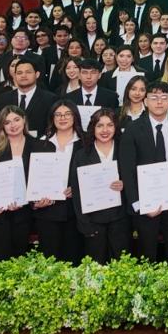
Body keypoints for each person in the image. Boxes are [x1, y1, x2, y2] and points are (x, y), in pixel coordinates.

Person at [118, 81, 168, 263]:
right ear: (145, 102)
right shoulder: (133, 128)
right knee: (146, 255)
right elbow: (127, 169)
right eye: (154, 98)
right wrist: (139, 204)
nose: (159, 102)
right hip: (145, 204)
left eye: (164, 98)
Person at [0, 105, 50, 260]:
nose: (13, 125)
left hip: (25, 214)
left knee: (19, 261)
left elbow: (44, 181)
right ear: (1, 126)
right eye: (7, 122)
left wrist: (37, 202)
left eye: (16, 119)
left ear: (24, 120)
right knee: (0, 261)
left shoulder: (40, 146)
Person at [70, 108, 130, 262]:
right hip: (93, 222)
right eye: (99, 125)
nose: (105, 130)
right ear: (92, 128)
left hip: (121, 220)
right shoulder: (81, 155)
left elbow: (135, 181)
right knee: (96, 267)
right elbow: (76, 193)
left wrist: (125, 183)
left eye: (109, 125)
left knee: (121, 266)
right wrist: (84, 224)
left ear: (116, 127)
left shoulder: (125, 151)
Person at [35, 101, 82, 262]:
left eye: (67, 114)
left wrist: (77, 188)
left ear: (75, 117)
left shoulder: (85, 143)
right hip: (47, 212)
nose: (63, 118)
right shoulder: (41, 144)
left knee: (74, 259)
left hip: (75, 212)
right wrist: (36, 200)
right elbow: (32, 177)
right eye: (58, 114)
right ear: (52, 118)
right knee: (50, 261)